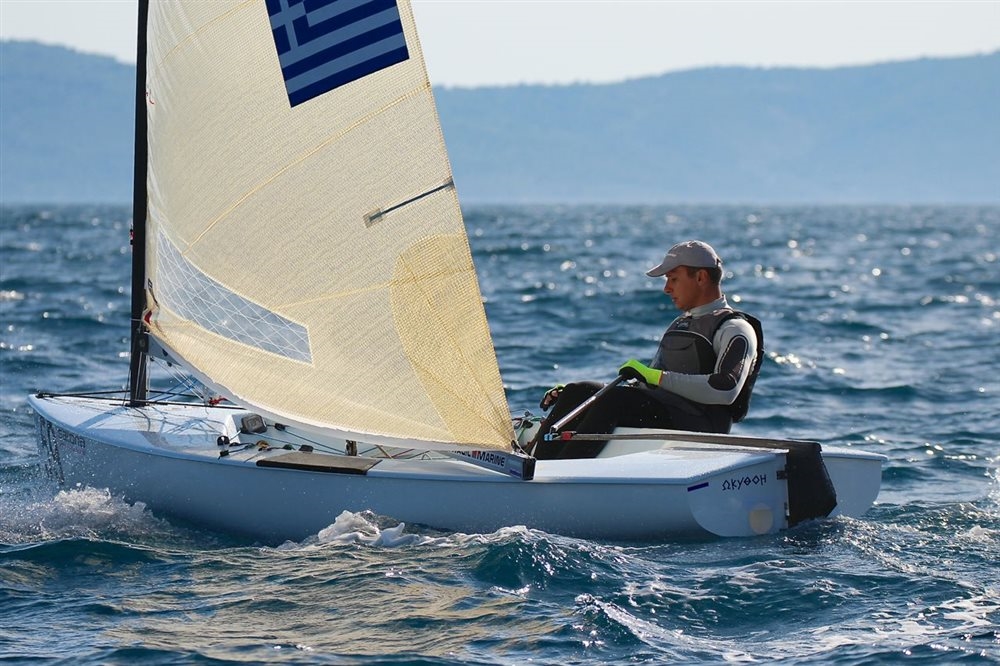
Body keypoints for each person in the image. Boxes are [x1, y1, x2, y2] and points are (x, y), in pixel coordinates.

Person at [530, 240, 763, 460]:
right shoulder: (682, 323)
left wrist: (655, 377)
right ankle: (536, 464)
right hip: (667, 410)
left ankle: (565, 473)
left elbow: (725, 389)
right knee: (579, 390)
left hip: (703, 425)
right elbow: (651, 387)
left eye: (673, 279)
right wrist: (585, 398)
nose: (667, 289)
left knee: (615, 400)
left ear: (700, 277)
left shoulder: (735, 328)